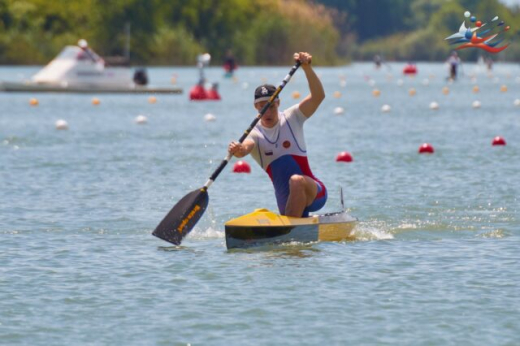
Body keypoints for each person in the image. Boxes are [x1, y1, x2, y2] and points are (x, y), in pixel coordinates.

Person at [228, 52, 326, 218]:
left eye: (271, 106)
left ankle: (290, 230)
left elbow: (318, 97)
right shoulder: (255, 133)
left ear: (278, 103)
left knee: (296, 180)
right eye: (262, 107)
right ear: (255, 107)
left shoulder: (292, 117)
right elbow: (244, 149)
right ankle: (292, 227)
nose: (267, 112)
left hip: (314, 193)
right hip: (285, 200)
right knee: (293, 186)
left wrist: (307, 68)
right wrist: (237, 149)